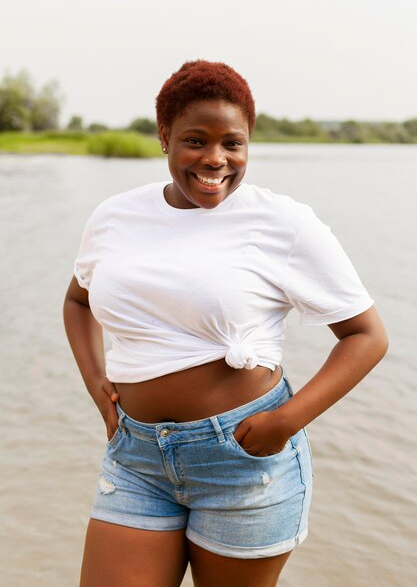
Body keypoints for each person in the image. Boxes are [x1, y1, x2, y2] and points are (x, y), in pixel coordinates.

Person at [63, 60, 388, 587]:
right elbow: (78, 302)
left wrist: (287, 421)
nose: (215, 160)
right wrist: (97, 385)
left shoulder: (283, 223)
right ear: (164, 137)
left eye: (232, 144)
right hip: (136, 456)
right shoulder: (115, 216)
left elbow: (367, 337)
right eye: (195, 140)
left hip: (242, 463)